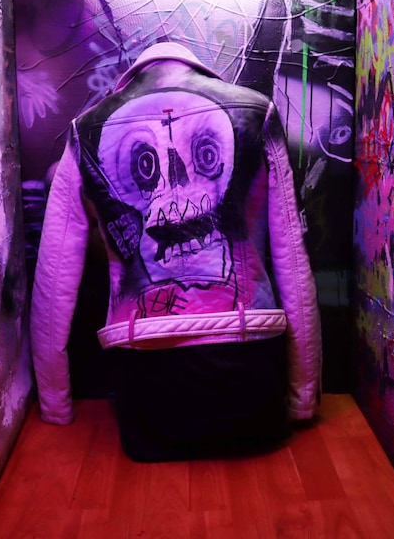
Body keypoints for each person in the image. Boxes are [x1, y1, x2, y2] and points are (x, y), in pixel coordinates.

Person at [30, 42, 321, 461]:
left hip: (147, 382)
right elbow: (291, 258)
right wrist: (302, 395)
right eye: (144, 166)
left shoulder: (86, 129)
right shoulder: (257, 112)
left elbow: (54, 276)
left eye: (207, 155)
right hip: (249, 368)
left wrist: (56, 403)